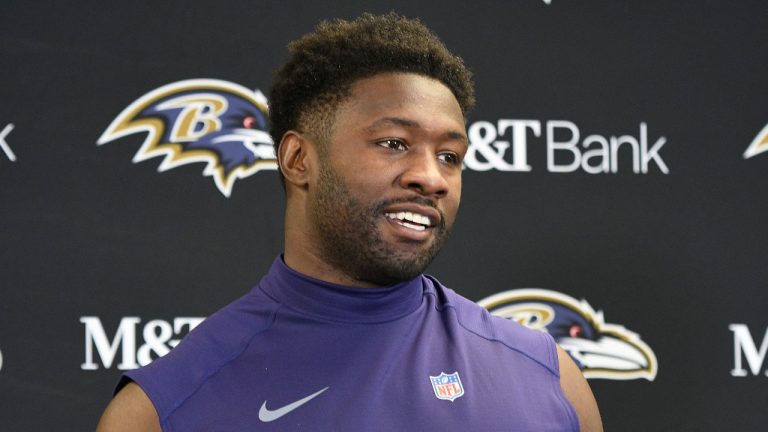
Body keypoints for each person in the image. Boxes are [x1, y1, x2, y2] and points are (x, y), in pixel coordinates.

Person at [97, 12, 602, 432]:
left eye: (450, 156)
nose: (432, 178)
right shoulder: (162, 410)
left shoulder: (548, 375)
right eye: (393, 144)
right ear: (298, 160)